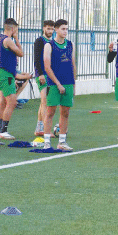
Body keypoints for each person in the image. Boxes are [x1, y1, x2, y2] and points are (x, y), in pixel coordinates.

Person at [43, 19, 77, 151]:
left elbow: (73, 65)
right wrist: (58, 84)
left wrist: (74, 84)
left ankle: (62, 142)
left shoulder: (70, 45)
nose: (65, 31)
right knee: (50, 112)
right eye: (63, 29)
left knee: (65, 112)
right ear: (56, 29)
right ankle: (47, 142)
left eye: (67, 29)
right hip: (53, 84)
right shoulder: (49, 45)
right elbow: (47, 67)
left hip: (68, 83)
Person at [0, 18, 23, 140]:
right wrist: (16, 38)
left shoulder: (0, 39)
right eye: (16, 30)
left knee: (2, 102)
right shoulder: (8, 40)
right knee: (12, 102)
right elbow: (21, 53)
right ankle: (3, 130)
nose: (16, 32)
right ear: (12, 29)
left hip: (1, 73)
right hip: (6, 75)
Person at [34, 20, 55, 136]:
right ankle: (46, 129)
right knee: (45, 101)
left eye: (52, 29)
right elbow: (37, 58)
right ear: (43, 28)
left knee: (44, 103)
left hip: (49, 75)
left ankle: (39, 128)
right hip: (42, 75)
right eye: (48, 29)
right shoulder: (39, 41)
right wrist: (40, 73)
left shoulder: (51, 42)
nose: (50, 31)